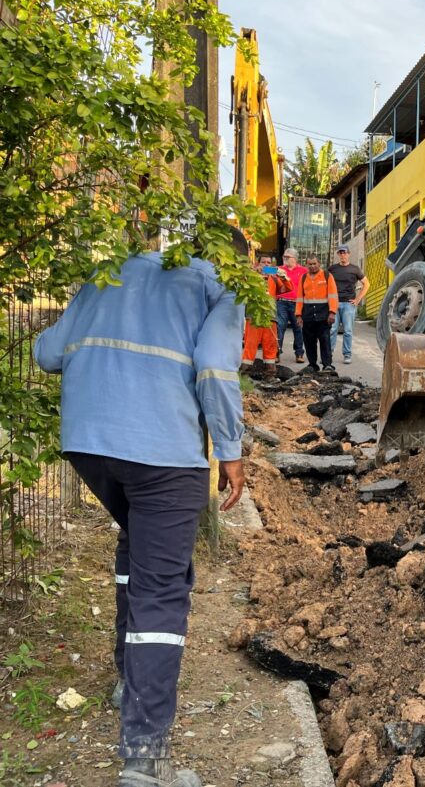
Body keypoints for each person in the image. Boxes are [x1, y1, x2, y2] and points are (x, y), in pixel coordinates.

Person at [32, 228, 248, 787]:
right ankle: (144, 759)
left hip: (89, 444)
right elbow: (216, 369)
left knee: (138, 544)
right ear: (234, 258)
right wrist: (229, 450)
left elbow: (48, 353)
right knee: (162, 589)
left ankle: (129, 682)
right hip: (163, 455)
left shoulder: (111, 271)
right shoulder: (221, 285)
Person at [241, 255, 292, 380]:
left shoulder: (274, 279)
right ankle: (244, 374)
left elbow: (288, 288)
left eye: (269, 263)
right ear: (259, 263)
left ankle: (270, 374)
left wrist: (284, 277)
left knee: (270, 346)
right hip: (254, 316)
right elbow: (242, 285)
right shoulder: (251, 276)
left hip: (270, 317)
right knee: (250, 346)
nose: (266, 265)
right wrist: (253, 271)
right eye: (263, 262)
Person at [328, 245, 369, 365]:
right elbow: (325, 284)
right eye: (340, 253)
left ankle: (347, 355)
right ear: (338, 255)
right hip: (334, 304)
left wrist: (358, 299)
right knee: (332, 330)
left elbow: (366, 284)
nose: (342, 255)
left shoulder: (355, 269)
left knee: (348, 331)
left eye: (344, 253)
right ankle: (328, 354)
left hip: (348, 305)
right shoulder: (332, 269)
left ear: (349, 254)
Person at [296, 255, 337, 372]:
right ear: (306, 265)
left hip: (323, 315)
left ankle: (327, 365)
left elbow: (333, 296)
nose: (312, 266)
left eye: (314, 264)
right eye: (310, 264)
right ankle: (312, 365)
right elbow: (299, 297)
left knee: (325, 340)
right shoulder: (304, 278)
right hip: (308, 315)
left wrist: (332, 312)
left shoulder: (327, 276)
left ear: (319, 263)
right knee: (309, 342)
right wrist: (298, 315)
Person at [276, 248, 306, 363]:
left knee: (298, 328)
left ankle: (299, 354)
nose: (284, 258)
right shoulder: (279, 269)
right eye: (284, 256)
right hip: (282, 302)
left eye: (287, 257)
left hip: (296, 303)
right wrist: (259, 268)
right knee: (280, 327)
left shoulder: (303, 270)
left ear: (294, 259)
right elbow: (265, 270)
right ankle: (276, 353)